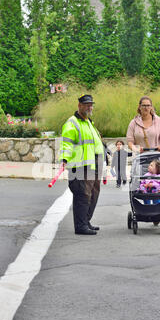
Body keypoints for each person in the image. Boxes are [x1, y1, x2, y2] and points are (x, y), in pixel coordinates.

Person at [59, 94, 104, 235]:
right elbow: (66, 143)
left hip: (93, 164)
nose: (89, 107)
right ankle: (80, 226)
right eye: (86, 104)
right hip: (80, 166)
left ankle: (86, 221)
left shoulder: (89, 122)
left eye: (91, 104)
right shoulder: (72, 123)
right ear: (79, 105)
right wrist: (64, 158)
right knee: (83, 195)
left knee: (93, 194)